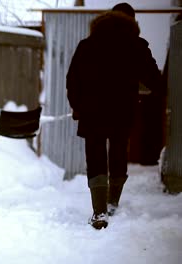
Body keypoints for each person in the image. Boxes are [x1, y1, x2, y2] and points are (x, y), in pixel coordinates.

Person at [66, 2, 162, 229]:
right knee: (118, 154)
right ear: (132, 21)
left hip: (92, 112)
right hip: (122, 111)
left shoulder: (87, 44)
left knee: (96, 157)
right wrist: (138, 89)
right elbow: (154, 81)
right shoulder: (136, 46)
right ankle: (112, 203)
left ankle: (99, 213)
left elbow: (73, 80)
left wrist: (77, 106)